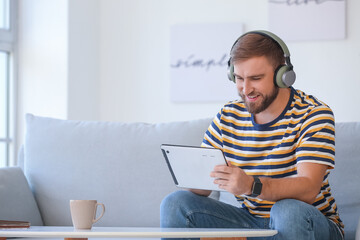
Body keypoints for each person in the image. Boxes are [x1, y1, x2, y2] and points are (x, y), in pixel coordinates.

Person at [160, 30, 344, 240]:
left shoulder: (313, 114)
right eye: (239, 78)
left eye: (256, 78)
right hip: (253, 222)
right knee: (176, 203)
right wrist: (191, 174)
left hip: (309, 223)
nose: (246, 89)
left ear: (282, 75)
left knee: (287, 211)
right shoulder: (228, 116)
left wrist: (251, 185)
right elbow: (203, 188)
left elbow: (308, 188)